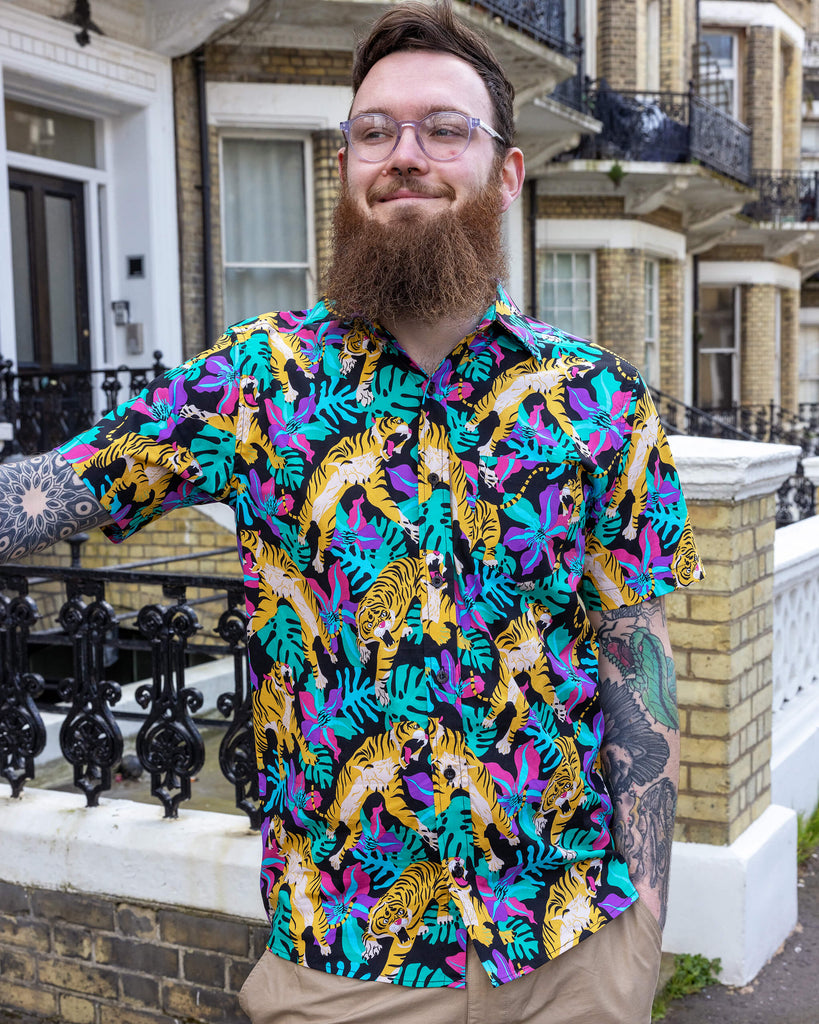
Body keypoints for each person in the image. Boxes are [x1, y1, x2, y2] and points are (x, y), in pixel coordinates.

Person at [0, 3, 702, 1021]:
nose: (405, 154)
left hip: (573, 948)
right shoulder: (256, 386)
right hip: (347, 964)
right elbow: (42, 489)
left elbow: (637, 650)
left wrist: (645, 934)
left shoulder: (597, 400)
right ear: (347, 170)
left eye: (444, 128)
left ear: (506, 173)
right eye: (375, 131)